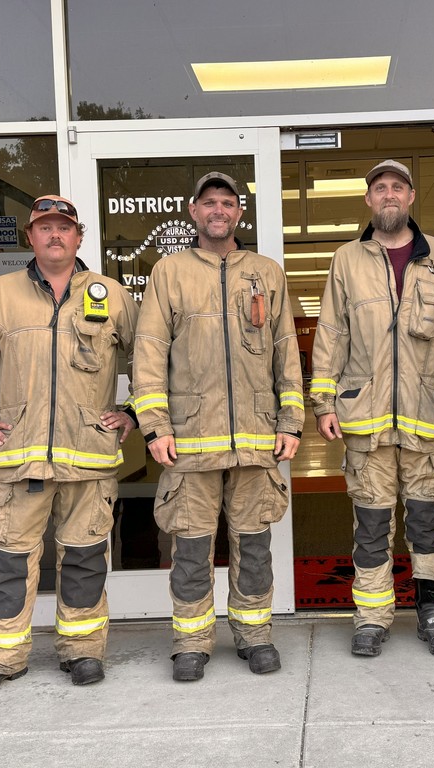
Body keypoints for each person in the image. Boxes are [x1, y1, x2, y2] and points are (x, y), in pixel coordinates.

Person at [0, 195, 138, 697]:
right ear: (30, 237)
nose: (55, 235)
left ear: (79, 237)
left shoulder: (112, 295)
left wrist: (135, 412)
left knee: (85, 558)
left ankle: (83, 651)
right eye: (44, 228)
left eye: (64, 228)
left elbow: (153, 359)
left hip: (90, 459)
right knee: (8, 560)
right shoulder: (0, 294)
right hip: (21, 458)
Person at [133, 172, 304, 682]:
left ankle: (255, 635)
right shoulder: (169, 272)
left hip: (255, 437)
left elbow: (285, 353)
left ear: (238, 213)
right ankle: (191, 642)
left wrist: (291, 420)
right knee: (190, 547)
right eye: (210, 202)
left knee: (254, 544)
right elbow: (148, 353)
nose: (219, 210)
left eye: (228, 203)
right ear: (193, 211)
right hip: (188, 439)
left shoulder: (267, 273)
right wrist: (154, 425)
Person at [310, 160, 434, 658]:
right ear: (369, 200)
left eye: (398, 187)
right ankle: (371, 618)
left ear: (410, 198)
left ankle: (432, 612)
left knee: (427, 522)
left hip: (426, 416)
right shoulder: (347, 258)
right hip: (365, 419)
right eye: (379, 187)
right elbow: (332, 334)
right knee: (371, 524)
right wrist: (323, 403)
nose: (389, 194)